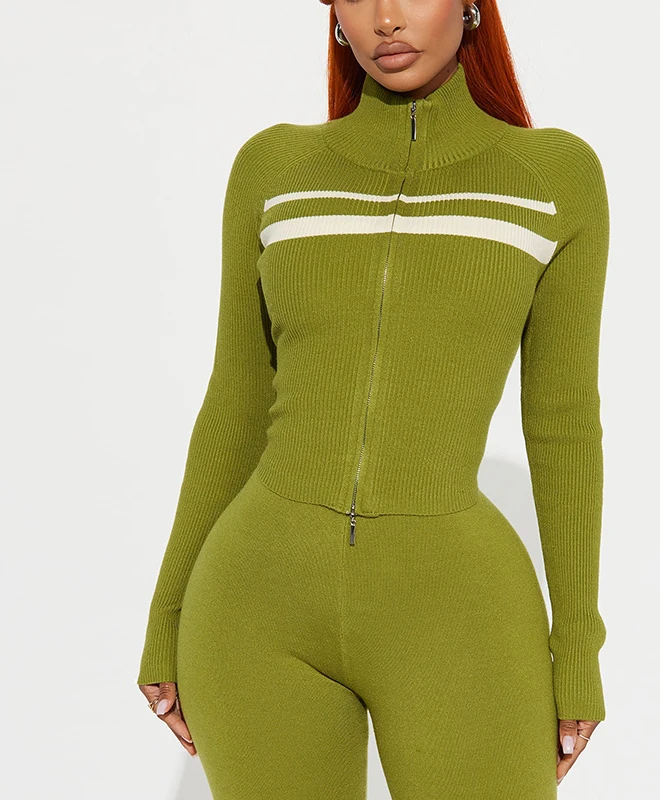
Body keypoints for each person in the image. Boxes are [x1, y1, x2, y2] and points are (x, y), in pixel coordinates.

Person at [136, 1, 610, 797]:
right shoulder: (276, 168)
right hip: (255, 605)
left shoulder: (551, 177)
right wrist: (168, 615)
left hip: (455, 607)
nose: (387, 18)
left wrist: (578, 651)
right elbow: (237, 400)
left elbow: (563, 423)